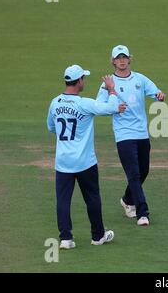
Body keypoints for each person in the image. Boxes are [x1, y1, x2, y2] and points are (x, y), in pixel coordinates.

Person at [47, 64, 126, 249]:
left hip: (63, 162)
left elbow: (51, 127)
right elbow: (111, 108)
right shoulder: (84, 104)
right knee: (92, 198)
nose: (85, 81)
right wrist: (112, 88)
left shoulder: (55, 102)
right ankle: (98, 236)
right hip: (85, 162)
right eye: (84, 78)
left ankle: (65, 239)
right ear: (79, 81)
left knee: (63, 201)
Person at [96, 45, 165, 226]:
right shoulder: (108, 83)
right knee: (133, 174)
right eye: (118, 58)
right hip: (123, 135)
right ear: (113, 61)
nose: (121, 60)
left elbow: (155, 93)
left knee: (144, 171)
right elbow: (98, 107)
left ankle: (127, 199)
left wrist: (159, 95)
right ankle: (142, 212)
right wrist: (114, 108)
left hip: (141, 133)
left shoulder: (140, 79)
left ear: (129, 59)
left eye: (124, 57)